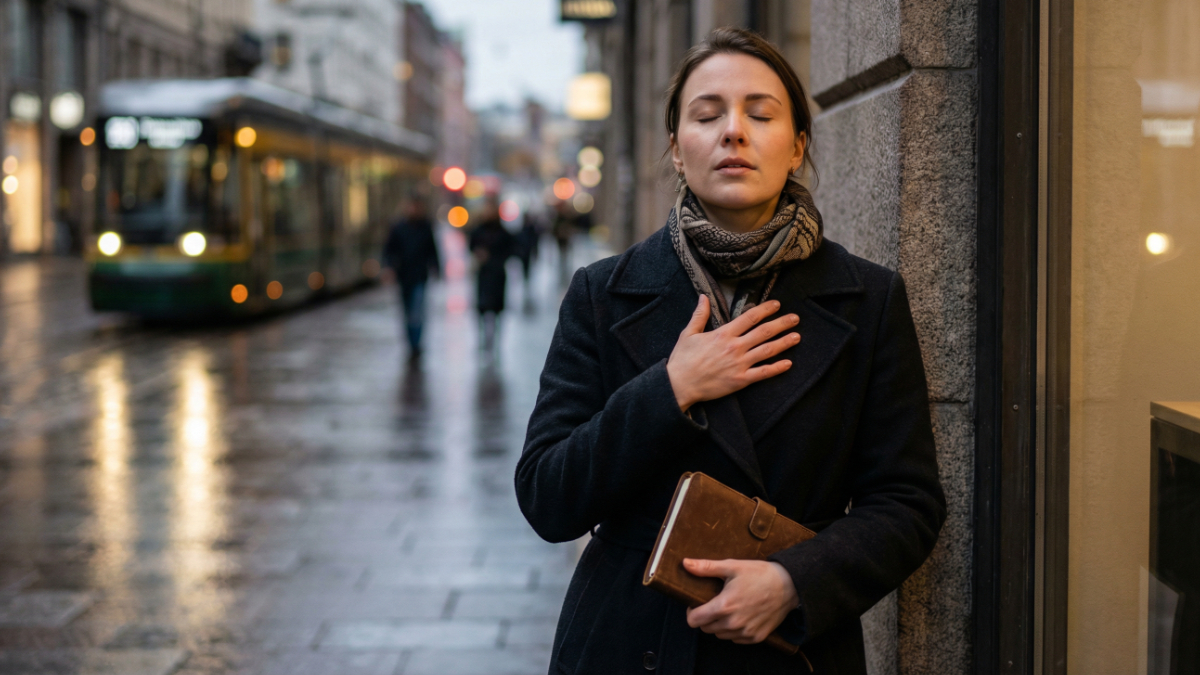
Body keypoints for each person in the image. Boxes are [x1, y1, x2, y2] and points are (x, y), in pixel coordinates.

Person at [516, 28, 945, 675]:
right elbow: (549, 495)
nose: (733, 132)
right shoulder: (603, 293)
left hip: (790, 650)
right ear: (676, 149)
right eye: (707, 113)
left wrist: (796, 581)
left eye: (761, 113)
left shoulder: (869, 299)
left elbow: (907, 501)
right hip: (629, 643)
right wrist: (669, 389)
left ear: (797, 144)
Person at [383, 198, 440, 359]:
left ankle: (416, 343)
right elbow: (389, 250)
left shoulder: (425, 227)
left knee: (417, 310)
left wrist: (436, 267)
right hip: (404, 276)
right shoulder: (398, 227)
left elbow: (432, 249)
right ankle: (410, 341)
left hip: (420, 275)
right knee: (407, 311)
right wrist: (389, 267)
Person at [469, 198, 515, 352]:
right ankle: (483, 337)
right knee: (482, 307)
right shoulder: (478, 230)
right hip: (483, 275)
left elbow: (511, 249)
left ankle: (494, 337)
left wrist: (494, 259)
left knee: (496, 309)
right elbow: (471, 245)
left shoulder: (503, 232)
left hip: (497, 275)